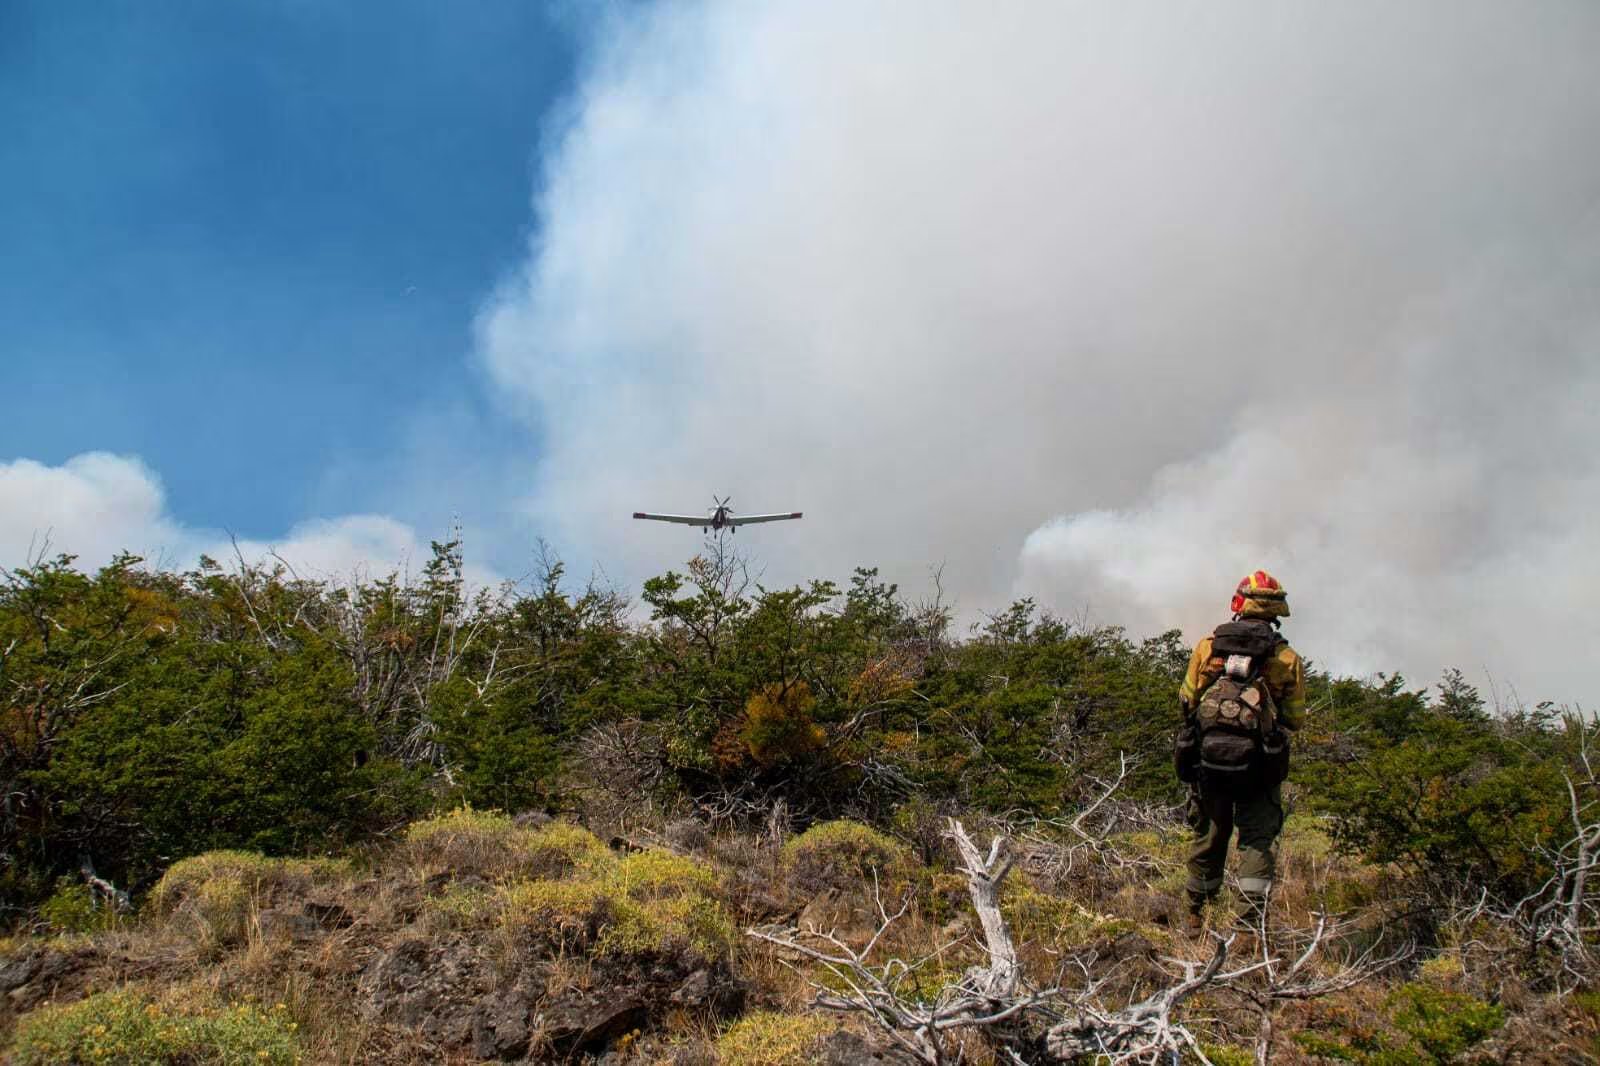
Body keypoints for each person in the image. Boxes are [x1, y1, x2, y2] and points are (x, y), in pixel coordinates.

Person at [1176, 570, 1306, 934]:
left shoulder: (1208, 646)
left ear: (1239, 603)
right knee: (1256, 841)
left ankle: (1193, 916)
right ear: (1276, 609)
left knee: (1209, 836)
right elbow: (1295, 720)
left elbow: (1187, 702)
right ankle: (1249, 928)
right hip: (1259, 768)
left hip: (1209, 764)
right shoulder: (1286, 659)